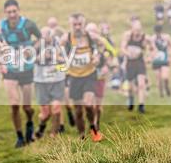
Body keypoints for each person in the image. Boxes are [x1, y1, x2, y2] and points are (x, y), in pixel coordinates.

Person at [0, 0, 41, 148]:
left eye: (14, 11)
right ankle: (20, 137)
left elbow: (40, 39)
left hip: (26, 68)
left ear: (18, 10)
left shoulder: (29, 24)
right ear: (5, 13)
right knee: (14, 104)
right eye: (9, 12)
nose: (12, 15)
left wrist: (32, 49)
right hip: (10, 68)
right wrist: (1, 62)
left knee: (27, 107)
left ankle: (29, 122)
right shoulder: (0, 26)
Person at [62, 13, 103, 142]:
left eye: (80, 24)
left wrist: (97, 56)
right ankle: (82, 136)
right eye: (75, 24)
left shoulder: (91, 36)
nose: (77, 27)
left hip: (89, 75)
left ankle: (93, 127)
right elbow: (57, 55)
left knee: (88, 104)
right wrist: (66, 59)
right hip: (75, 77)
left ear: (84, 24)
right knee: (78, 110)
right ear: (71, 25)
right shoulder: (66, 39)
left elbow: (102, 44)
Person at [32, 26, 65, 139]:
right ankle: (41, 126)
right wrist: (41, 57)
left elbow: (66, 59)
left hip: (57, 80)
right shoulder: (36, 45)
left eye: (48, 34)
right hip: (41, 82)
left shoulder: (59, 44)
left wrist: (57, 58)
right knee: (45, 114)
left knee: (57, 109)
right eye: (43, 35)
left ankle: (53, 135)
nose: (45, 37)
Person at [86, 22, 117, 132]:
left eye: (94, 31)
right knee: (89, 102)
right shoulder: (82, 42)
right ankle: (91, 125)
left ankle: (96, 123)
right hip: (86, 75)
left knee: (98, 105)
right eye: (89, 31)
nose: (92, 34)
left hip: (100, 75)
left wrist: (107, 66)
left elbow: (113, 53)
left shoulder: (103, 41)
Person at [120, 19, 153, 114]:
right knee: (130, 87)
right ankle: (131, 98)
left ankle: (141, 105)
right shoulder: (128, 36)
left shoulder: (145, 38)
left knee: (141, 84)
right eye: (135, 30)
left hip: (140, 64)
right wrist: (128, 54)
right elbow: (122, 48)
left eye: (139, 30)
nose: (137, 32)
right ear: (132, 29)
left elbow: (154, 48)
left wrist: (150, 57)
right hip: (130, 64)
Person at [150, 24, 171, 98]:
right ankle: (161, 94)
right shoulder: (152, 39)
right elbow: (148, 48)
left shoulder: (166, 37)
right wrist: (151, 56)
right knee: (159, 79)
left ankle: (166, 86)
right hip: (156, 61)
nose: (158, 34)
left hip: (164, 59)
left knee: (165, 77)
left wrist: (170, 55)